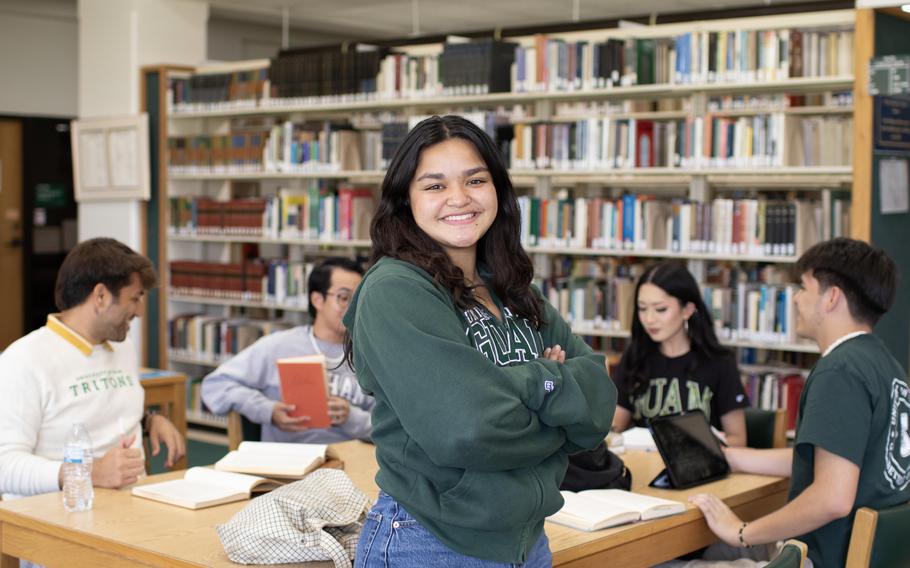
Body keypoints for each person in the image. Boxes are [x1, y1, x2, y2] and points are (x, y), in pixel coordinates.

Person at [343, 115, 616, 566]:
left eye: (475, 179)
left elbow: (598, 404)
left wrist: (511, 390)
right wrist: (549, 383)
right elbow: (467, 430)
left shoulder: (513, 288)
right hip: (431, 541)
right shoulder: (395, 290)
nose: (459, 198)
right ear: (405, 199)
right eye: (434, 186)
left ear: (498, 190)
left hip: (527, 540)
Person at [685, 238, 909, 567]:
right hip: (851, 552)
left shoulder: (839, 371)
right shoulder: (883, 361)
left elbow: (832, 498)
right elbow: (833, 460)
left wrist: (742, 531)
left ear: (831, 297)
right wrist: (733, 458)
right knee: (714, 551)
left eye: (803, 287)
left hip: (818, 557)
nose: (795, 300)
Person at [0, 238, 186, 500]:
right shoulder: (23, 360)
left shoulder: (123, 347)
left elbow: (98, 407)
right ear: (100, 296)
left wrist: (149, 420)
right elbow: (5, 466)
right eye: (135, 298)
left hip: (132, 505)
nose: (140, 311)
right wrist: (88, 472)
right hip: (60, 517)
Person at [201, 257, 373, 443]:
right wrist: (267, 410)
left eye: (358, 299)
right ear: (317, 300)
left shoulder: (371, 353)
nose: (354, 308)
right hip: (288, 461)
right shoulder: (278, 346)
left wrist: (352, 418)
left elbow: (392, 428)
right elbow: (214, 385)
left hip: (353, 460)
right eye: (344, 298)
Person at [611, 262, 748, 447]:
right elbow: (614, 427)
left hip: (698, 468)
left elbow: (738, 441)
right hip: (642, 468)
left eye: (661, 309)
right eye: (642, 308)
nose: (649, 319)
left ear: (687, 310)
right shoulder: (635, 356)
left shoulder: (719, 363)